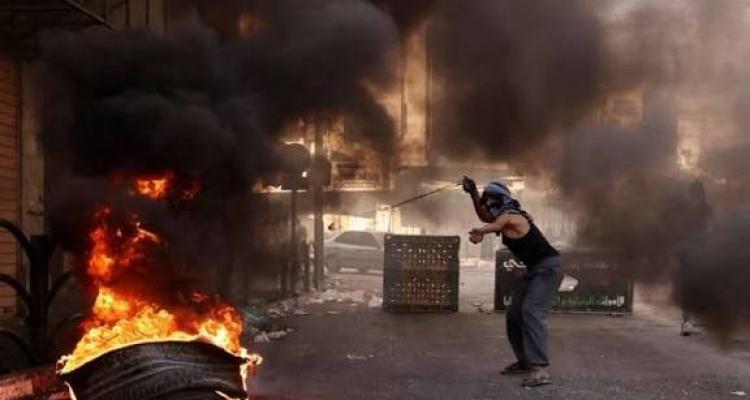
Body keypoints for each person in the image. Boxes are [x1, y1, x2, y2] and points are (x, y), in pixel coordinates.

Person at [463, 176, 561, 387]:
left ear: (501, 200)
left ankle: (540, 369)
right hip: (534, 270)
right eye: (487, 201)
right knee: (514, 315)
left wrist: (481, 231)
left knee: (531, 311)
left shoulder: (513, 216)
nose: (489, 205)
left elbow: (496, 223)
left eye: (491, 201)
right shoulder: (501, 217)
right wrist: (473, 193)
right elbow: (486, 217)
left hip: (548, 268)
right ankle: (525, 362)